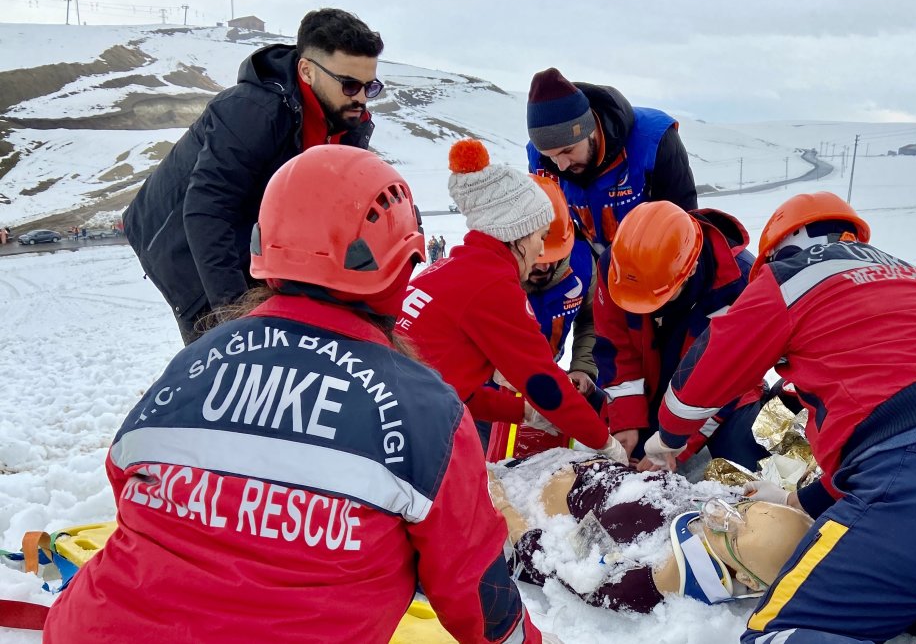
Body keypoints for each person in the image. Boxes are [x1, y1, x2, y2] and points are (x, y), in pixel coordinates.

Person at [44, 146, 550, 643]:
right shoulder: (424, 408)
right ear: (404, 260)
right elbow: (476, 592)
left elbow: (125, 478)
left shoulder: (194, 362)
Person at [646, 191, 916, 644]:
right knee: (887, 568)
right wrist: (800, 501)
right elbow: (899, 432)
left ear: (778, 252)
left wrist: (668, 437)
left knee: (787, 632)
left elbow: (710, 368)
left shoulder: (793, 275)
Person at [123, 8, 384, 344]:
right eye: (349, 85)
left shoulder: (348, 122)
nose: (361, 98)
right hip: (183, 241)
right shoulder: (251, 110)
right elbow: (207, 211)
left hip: (253, 233)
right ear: (307, 71)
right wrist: (235, 321)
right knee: (225, 349)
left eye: (370, 87)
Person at [397, 139, 626, 464]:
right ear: (518, 234)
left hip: (392, 414)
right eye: (540, 237)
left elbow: (459, 392)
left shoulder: (452, 269)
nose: (540, 251)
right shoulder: (492, 284)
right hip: (411, 428)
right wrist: (604, 442)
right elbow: (544, 383)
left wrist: (523, 412)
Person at [489, 450, 813, 614]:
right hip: (587, 464)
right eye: (744, 509)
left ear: (747, 580)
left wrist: (502, 505)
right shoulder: (717, 526)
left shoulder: (652, 578)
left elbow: (551, 561)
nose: (721, 512)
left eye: (735, 534)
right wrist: (784, 500)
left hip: (531, 490)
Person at [594, 201, 769, 470]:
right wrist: (627, 420)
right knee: (633, 456)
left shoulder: (742, 283)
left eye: (654, 297)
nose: (646, 309)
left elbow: (728, 379)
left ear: (691, 269)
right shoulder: (618, 267)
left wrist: (678, 443)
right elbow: (615, 348)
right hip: (653, 380)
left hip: (724, 392)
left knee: (737, 456)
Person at [484, 176, 604, 460]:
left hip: (543, 383)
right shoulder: (483, 273)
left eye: (553, 254)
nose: (542, 265)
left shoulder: (584, 267)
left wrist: (583, 369)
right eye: (535, 257)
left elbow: (592, 320)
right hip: (487, 395)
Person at [525, 68, 697, 249]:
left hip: (647, 253)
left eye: (568, 150)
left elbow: (683, 225)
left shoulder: (654, 141)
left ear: (591, 129)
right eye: (551, 156)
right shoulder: (540, 159)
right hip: (585, 253)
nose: (561, 166)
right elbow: (550, 228)